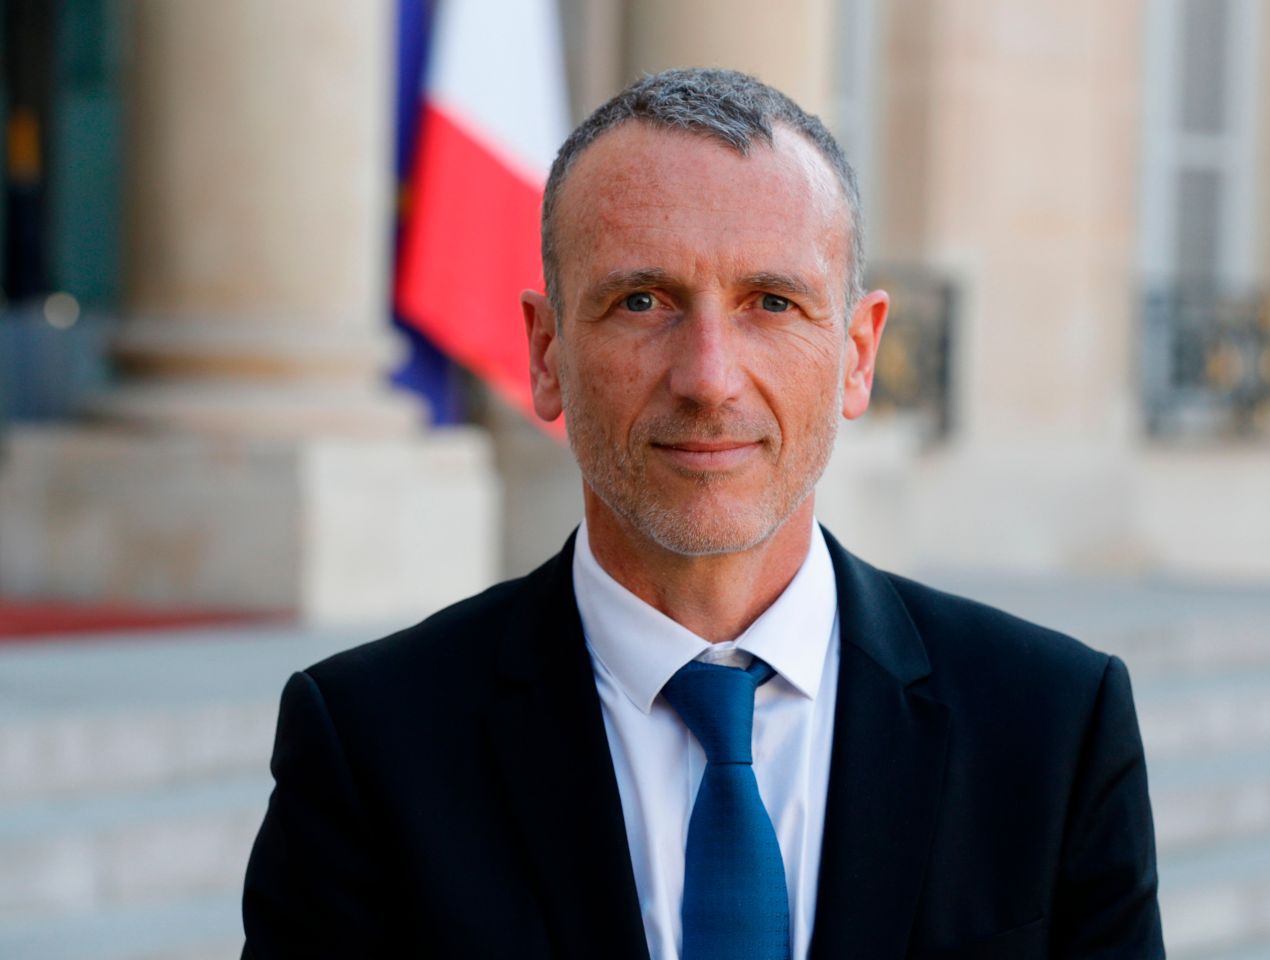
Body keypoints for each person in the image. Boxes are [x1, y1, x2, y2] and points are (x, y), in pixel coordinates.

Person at [241, 68, 1163, 959]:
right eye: (643, 301)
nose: (709, 378)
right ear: (547, 352)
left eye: (772, 302)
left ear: (856, 351)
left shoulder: (1051, 728)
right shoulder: (369, 745)